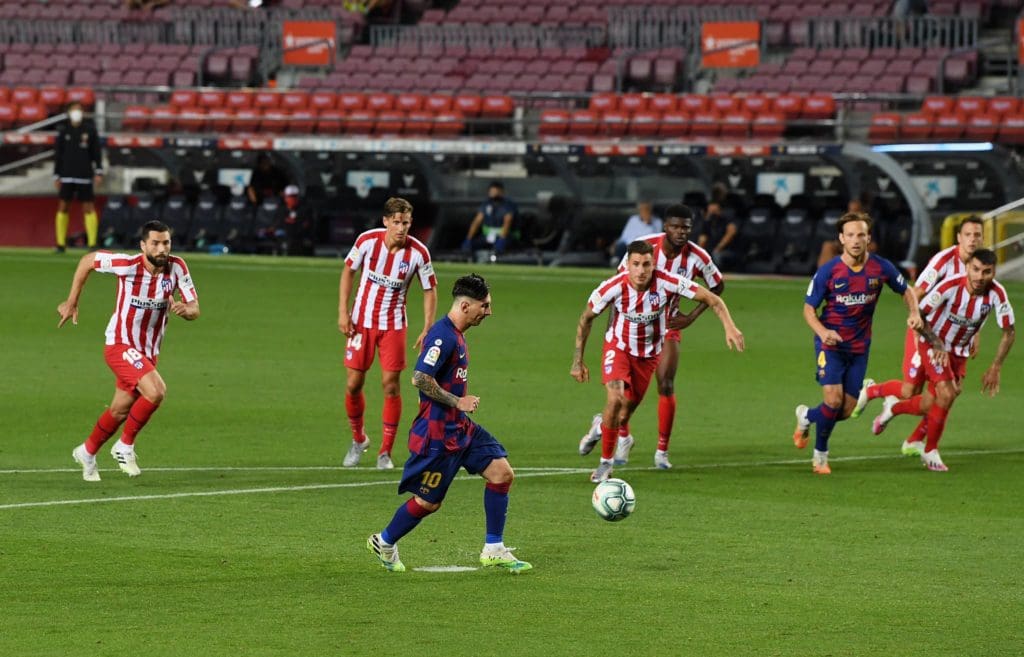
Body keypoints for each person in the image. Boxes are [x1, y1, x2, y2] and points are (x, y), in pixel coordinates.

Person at [366, 274, 531, 573]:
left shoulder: (457, 334)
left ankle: (493, 548)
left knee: (502, 474)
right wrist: (457, 401)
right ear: (466, 306)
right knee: (429, 503)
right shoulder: (443, 336)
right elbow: (419, 378)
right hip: (437, 436)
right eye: (485, 306)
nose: (489, 312)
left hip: (461, 428)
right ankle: (385, 541)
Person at [571, 240, 744, 483]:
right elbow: (586, 319)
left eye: (646, 264)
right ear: (627, 266)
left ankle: (600, 426)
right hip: (618, 347)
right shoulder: (612, 287)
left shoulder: (668, 282)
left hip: (648, 355)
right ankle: (605, 465)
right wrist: (578, 360)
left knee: (621, 416)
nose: (641, 270)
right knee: (615, 398)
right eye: (636, 264)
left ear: (654, 265)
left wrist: (729, 326)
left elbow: (713, 298)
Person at [580, 204, 724, 470]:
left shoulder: (697, 257)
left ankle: (661, 452)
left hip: (666, 325)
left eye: (686, 228)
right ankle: (619, 438)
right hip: (630, 327)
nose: (680, 232)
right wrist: (614, 328)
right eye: (675, 226)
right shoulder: (643, 247)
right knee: (618, 398)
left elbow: (717, 287)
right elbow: (619, 283)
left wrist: (691, 317)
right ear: (665, 227)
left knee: (665, 384)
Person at [57, 220, 200, 481]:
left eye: (166, 243)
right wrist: (72, 300)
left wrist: (184, 310)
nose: (161, 249)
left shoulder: (177, 267)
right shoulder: (127, 265)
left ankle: (87, 451)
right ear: (143, 245)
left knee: (120, 410)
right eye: (155, 243)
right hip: (120, 344)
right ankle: (125, 446)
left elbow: (194, 308)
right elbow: (89, 260)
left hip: (147, 352)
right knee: (156, 392)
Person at [792, 212, 922, 475]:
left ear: (868, 238)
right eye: (850, 235)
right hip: (830, 345)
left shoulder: (881, 267)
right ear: (841, 239)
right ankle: (820, 456)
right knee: (832, 400)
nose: (855, 240)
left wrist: (914, 312)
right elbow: (808, 310)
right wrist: (822, 330)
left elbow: (906, 290)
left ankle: (806, 416)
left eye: (860, 234)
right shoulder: (829, 271)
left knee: (844, 410)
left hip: (860, 348)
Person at [870, 249, 1014, 471]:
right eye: (975, 270)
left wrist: (996, 366)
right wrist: (935, 342)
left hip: (958, 351)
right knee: (945, 393)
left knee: (931, 402)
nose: (979, 276)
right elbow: (920, 315)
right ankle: (930, 451)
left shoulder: (997, 293)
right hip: (933, 342)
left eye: (987, 272)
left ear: (994, 272)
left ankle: (894, 408)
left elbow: (1009, 332)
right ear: (967, 267)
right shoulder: (949, 286)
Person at [853, 216, 984, 428]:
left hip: (952, 337)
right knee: (909, 390)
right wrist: (917, 322)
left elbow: (975, 302)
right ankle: (871, 391)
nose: (972, 240)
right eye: (968, 235)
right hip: (927, 331)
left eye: (977, 235)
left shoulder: (981, 265)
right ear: (959, 237)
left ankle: (908, 431)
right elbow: (916, 292)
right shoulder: (944, 261)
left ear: (983, 238)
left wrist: (975, 333)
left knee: (940, 396)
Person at [338, 197, 437, 470]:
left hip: (393, 326)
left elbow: (429, 289)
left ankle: (385, 452)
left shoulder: (419, 253)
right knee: (353, 383)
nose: (401, 228)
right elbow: (348, 272)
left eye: (405, 222)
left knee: (391, 385)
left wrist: (428, 325)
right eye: (396, 222)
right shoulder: (367, 241)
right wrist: (342, 311)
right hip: (361, 322)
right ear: (386, 222)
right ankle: (359, 440)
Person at [54, 100, 103, 253]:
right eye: (74, 110)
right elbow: (58, 154)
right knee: (63, 206)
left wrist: (99, 171)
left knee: (88, 207)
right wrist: (56, 174)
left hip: (84, 174)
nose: (77, 112)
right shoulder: (63, 131)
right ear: (68, 113)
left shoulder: (90, 130)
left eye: (79, 110)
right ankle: (61, 244)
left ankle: (92, 243)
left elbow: (96, 152)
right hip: (66, 174)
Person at [461, 181, 517, 256]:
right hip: (487, 237)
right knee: (469, 247)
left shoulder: (507, 205)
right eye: (491, 191)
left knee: (498, 249)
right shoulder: (486, 204)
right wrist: (468, 238)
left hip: (504, 237)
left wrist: (502, 239)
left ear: (501, 192)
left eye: (495, 191)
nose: (493, 193)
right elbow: (477, 222)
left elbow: (507, 221)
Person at [697, 201, 741, 271]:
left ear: (720, 211)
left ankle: (718, 275)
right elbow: (702, 239)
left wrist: (718, 248)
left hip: (728, 250)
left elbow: (730, 234)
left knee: (716, 255)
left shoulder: (727, 219)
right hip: (711, 249)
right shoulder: (707, 223)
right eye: (710, 211)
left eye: (715, 211)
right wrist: (699, 252)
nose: (712, 213)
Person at [281, 184, 315, 256]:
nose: (292, 199)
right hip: (286, 237)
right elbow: (279, 225)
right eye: (290, 196)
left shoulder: (305, 210)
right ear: (285, 197)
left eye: (294, 196)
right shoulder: (281, 210)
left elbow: (306, 225)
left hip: (301, 237)